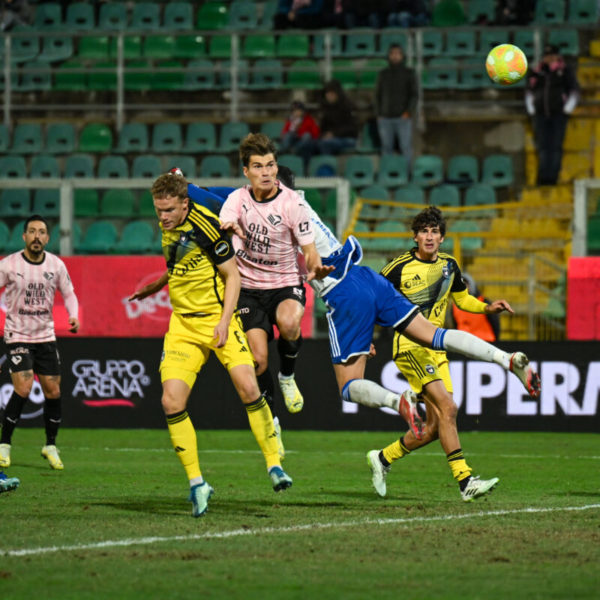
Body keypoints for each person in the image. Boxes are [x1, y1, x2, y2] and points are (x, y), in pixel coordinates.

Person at [129, 174, 294, 518]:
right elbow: (180, 264)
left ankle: (274, 465)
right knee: (170, 401)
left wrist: (223, 321)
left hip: (218, 319)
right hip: (183, 324)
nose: (162, 217)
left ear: (185, 203)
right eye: (158, 210)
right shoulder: (170, 224)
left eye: (169, 210)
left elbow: (232, 275)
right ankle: (197, 484)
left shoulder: (206, 227)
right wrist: (156, 285)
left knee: (250, 388)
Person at [367, 206, 522, 502]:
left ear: (442, 238)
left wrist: (486, 307)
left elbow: (462, 298)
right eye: (424, 231)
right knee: (449, 408)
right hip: (411, 347)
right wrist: (365, 338)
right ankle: (466, 482)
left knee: (436, 426)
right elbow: (372, 300)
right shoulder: (398, 268)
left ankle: (383, 458)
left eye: (434, 231)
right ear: (415, 237)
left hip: (438, 350)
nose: (429, 236)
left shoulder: (450, 265)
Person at [219, 133, 333, 428]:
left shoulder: (294, 204)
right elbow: (227, 222)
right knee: (257, 361)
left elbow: (308, 249)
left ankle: (288, 376)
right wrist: (230, 227)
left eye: (270, 165)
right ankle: (270, 422)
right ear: (246, 172)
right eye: (258, 166)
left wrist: (316, 265)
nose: (266, 172)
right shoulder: (236, 199)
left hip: (284, 283)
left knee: (289, 323)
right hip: (248, 289)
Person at [0, 215, 79, 471]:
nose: (36, 236)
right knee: (23, 387)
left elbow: (69, 293)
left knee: (53, 391)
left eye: (41, 232)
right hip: (17, 335)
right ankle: (4, 444)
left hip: (45, 336)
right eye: (32, 231)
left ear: (47, 237)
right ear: (24, 236)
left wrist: (73, 315)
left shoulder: (56, 265)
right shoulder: (9, 265)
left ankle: (50, 445)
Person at [525, 44, 580, 186]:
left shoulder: (565, 71)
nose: (549, 58)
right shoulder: (537, 71)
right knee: (543, 146)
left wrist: (567, 109)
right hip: (540, 114)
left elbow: (574, 90)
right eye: (547, 56)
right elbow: (529, 91)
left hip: (558, 114)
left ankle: (553, 177)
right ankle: (543, 177)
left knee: (555, 146)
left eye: (552, 55)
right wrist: (532, 109)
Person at [375, 44, 417, 165]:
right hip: (385, 118)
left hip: (403, 117)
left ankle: (407, 174)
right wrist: (379, 114)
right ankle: (386, 173)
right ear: (388, 56)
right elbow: (377, 95)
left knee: (405, 148)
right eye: (392, 53)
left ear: (402, 56)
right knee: (386, 148)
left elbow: (414, 95)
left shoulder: (409, 73)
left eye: (397, 53)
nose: (395, 56)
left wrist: (408, 111)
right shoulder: (383, 74)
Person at [451, 272, 500, 342]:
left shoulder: (484, 302)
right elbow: (455, 325)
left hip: (485, 342)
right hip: (464, 343)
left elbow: (495, 323)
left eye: (465, 284)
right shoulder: (454, 306)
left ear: (471, 285)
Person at [317, 80, 358, 156]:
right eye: (327, 93)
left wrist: (334, 134)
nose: (329, 96)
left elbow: (352, 129)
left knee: (325, 144)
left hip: (347, 139)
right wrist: (324, 135)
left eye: (332, 93)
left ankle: (327, 166)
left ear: (338, 93)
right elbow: (323, 128)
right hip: (330, 139)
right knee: (310, 144)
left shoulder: (347, 106)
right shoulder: (325, 108)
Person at [279, 101, 320, 166]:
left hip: (303, 143)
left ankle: (294, 150)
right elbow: (284, 133)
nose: (297, 113)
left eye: (299, 111)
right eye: (294, 111)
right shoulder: (290, 121)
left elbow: (315, 134)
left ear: (303, 112)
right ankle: (285, 151)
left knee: (307, 135)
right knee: (288, 135)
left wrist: (300, 128)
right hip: (293, 142)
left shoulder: (308, 120)